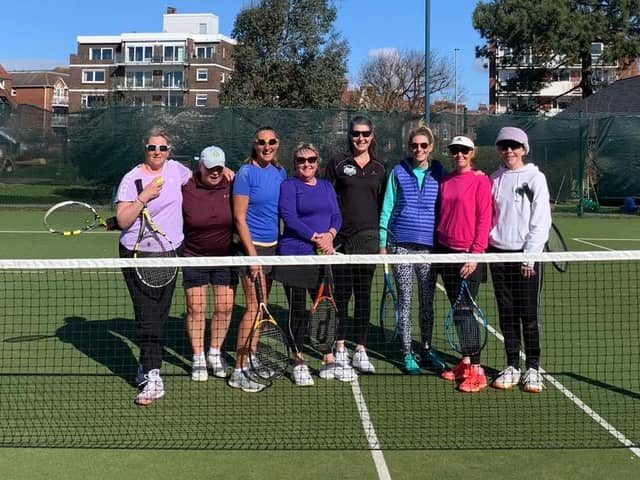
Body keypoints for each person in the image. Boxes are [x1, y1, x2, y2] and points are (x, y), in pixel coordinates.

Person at [116, 127, 191, 406]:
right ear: (144, 150)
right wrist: (144, 196)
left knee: (159, 312)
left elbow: (202, 180)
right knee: (147, 313)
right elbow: (123, 220)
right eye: (152, 148)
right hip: (136, 253)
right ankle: (152, 373)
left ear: (169, 152)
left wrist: (229, 173)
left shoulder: (176, 170)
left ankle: (145, 365)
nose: (157, 153)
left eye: (162, 148)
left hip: (170, 251)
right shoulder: (131, 178)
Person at [274, 143, 356, 386]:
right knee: (297, 310)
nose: (306, 164)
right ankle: (298, 361)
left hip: (323, 256)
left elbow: (336, 215)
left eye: (311, 160)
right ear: (295, 163)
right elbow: (289, 216)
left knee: (324, 309)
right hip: (295, 255)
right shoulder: (289, 186)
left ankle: (329, 359)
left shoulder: (326, 186)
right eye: (301, 160)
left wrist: (330, 234)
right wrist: (316, 238)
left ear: (317, 162)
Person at [489, 127, 551, 393]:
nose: (509, 151)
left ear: (524, 149)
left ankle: (533, 369)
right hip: (498, 255)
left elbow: (541, 221)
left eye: (514, 146)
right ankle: (512, 364)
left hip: (527, 258)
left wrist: (529, 258)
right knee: (507, 314)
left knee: (528, 315)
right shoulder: (494, 179)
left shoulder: (535, 178)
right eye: (504, 146)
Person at [379, 126, 446, 374]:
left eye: (423, 145)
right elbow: (388, 206)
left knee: (427, 302)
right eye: (414, 145)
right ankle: (407, 352)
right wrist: (383, 243)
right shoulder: (398, 172)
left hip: (429, 249)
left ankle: (426, 348)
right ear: (409, 147)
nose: (419, 149)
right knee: (405, 300)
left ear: (431, 147)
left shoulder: (440, 172)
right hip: (400, 246)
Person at [325, 116, 386, 374]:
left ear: (372, 136)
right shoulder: (337, 162)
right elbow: (325, 197)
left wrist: (382, 241)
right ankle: (340, 347)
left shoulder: (381, 167)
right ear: (349, 136)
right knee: (341, 295)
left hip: (368, 240)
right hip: (340, 239)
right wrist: (329, 235)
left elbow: (384, 205)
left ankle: (360, 348)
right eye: (356, 134)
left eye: (365, 134)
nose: (360, 138)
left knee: (363, 295)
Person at [229, 126, 287, 393]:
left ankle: (251, 358)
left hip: (274, 248)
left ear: (277, 143)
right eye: (262, 142)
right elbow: (239, 218)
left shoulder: (280, 172)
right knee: (253, 307)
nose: (267, 146)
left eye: (271, 142)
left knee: (261, 308)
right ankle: (238, 370)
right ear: (255, 144)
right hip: (252, 251)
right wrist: (253, 257)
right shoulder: (245, 173)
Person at [436, 136, 493, 393]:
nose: (459, 154)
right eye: (455, 150)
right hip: (445, 252)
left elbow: (484, 218)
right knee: (457, 309)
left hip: (468, 256)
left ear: (472, 153)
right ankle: (466, 361)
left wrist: (475, 254)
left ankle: (477, 370)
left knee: (465, 310)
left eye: (464, 151)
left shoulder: (481, 180)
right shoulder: (446, 180)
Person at [182, 145, 237, 382]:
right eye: (210, 168)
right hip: (194, 257)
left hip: (225, 257)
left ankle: (214, 353)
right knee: (196, 309)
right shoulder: (186, 184)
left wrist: (231, 171)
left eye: (219, 168)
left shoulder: (232, 183)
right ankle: (198, 358)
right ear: (200, 166)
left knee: (224, 308)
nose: (215, 173)